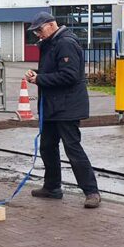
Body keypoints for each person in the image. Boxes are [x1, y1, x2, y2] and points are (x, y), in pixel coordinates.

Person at [24, 11, 101, 209]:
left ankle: (91, 191)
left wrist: (39, 79)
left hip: (67, 106)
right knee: (47, 146)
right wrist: (39, 74)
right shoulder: (51, 44)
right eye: (35, 32)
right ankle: (51, 187)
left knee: (72, 148)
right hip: (52, 106)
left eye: (39, 30)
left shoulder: (65, 43)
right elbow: (56, 72)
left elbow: (69, 76)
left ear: (51, 25)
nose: (37, 35)